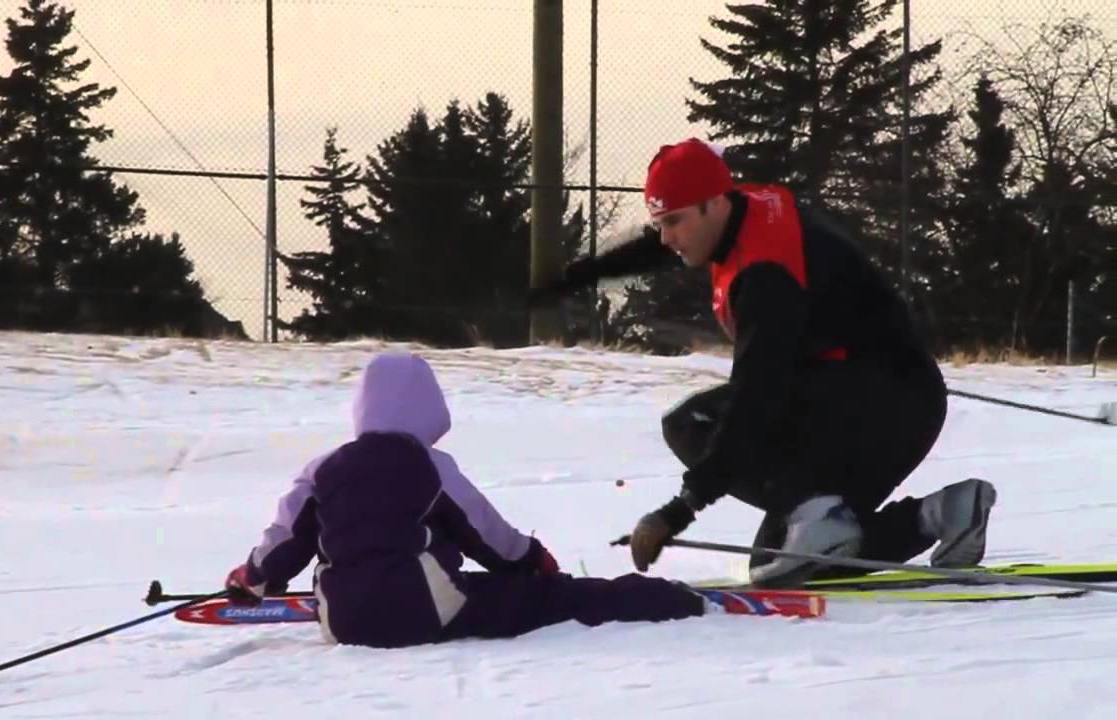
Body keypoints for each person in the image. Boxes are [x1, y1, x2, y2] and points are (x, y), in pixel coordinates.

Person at [530, 138, 997, 588]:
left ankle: (817, 515)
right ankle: (945, 513)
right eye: (660, 223)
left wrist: (679, 510)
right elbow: (660, 245)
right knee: (791, 563)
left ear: (714, 203)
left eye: (674, 221)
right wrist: (582, 276)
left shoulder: (764, 276)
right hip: (868, 393)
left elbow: (756, 400)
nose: (668, 238)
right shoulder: (742, 208)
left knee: (693, 423)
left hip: (886, 404)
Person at [222, 351, 747, 649]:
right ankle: (676, 599)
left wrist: (251, 581)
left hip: (340, 622)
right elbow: (489, 538)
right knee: (560, 598)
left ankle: (356, 600)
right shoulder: (430, 466)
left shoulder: (322, 469)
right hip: (427, 612)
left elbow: (283, 543)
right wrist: (535, 562)